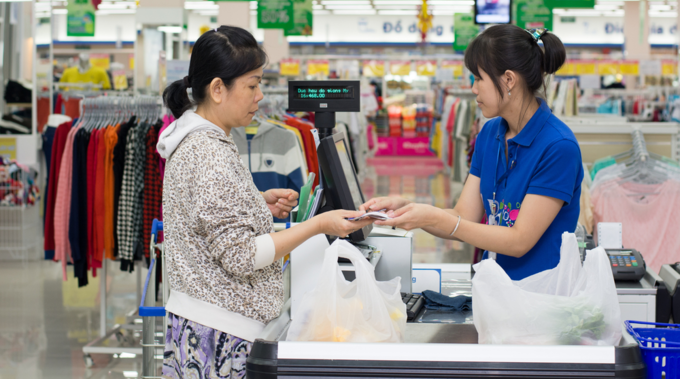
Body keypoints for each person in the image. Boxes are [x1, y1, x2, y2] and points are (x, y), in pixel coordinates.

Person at [158, 26, 374, 379]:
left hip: (209, 323)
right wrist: (317, 225)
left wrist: (258, 202)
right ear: (217, 89)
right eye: (252, 85)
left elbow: (205, 212)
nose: (260, 96)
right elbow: (242, 256)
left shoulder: (200, 140)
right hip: (219, 335)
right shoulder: (209, 152)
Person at [362, 26, 584, 281]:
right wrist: (410, 209)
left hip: (541, 300)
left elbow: (519, 240)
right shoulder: (490, 135)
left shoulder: (558, 147)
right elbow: (463, 217)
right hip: (494, 291)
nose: (473, 88)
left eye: (478, 78)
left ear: (509, 80)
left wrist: (436, 218)